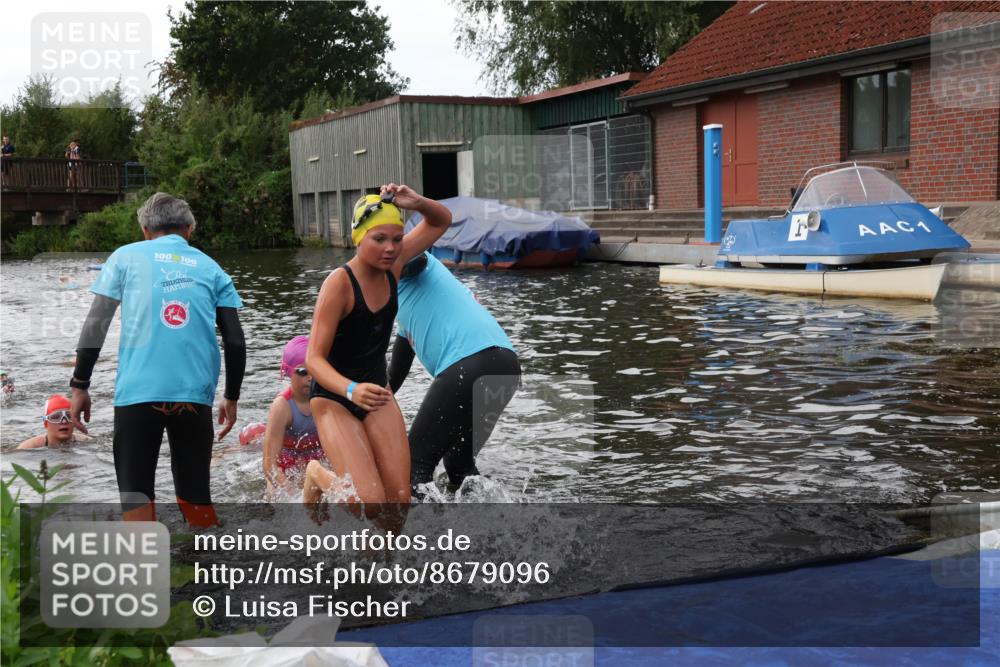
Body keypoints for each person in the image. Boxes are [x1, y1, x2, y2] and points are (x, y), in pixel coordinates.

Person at [69, 192, 246, 527]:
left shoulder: (124, 257)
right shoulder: (211, 267)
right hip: (193, 397)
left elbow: (96, 324)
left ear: (145, 230)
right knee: (195, 497)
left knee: (136, 497)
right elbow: (235, 341)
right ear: (190, 229)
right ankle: (209, 569)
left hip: (137, 395)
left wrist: (79, 385)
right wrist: (231, 396)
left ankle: (143, 569)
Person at [302, 185, 451, 523]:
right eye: (379, 238)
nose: (390, 248)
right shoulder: (338, 284)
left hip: (376, 393)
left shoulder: (394, 266)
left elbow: (441, 220)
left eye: (397, 239)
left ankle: (380, 570)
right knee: (366, 503)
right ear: (358, 237)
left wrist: (415, 202)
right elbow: (313, 359)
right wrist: (351, 389)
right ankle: (315, 474)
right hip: (333, 397)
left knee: (397, 506)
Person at [388, 252, 520, 496]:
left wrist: (388, 260)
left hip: (471, 362)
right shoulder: (405, 308)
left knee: (414, 463)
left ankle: (423, 532)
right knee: (458, 462)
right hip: (505, 365)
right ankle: (495, 522)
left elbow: (414, 258)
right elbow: (393, 377)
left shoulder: (415, 261)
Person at [262, 335, 324, 493]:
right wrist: (293, 495)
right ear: (288, 371)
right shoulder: (282, 407)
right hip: (286, 467)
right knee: (274, 496)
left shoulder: (325, 400)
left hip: (314, 463)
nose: (310, 377)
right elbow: (269, 466)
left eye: (314, 369)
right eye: (303, 371)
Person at [16, 395, 90, 449]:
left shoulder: (87, 442)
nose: (64, 421)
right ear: (46, 423)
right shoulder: (28, 447)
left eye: (69, 416)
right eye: (56, 417)